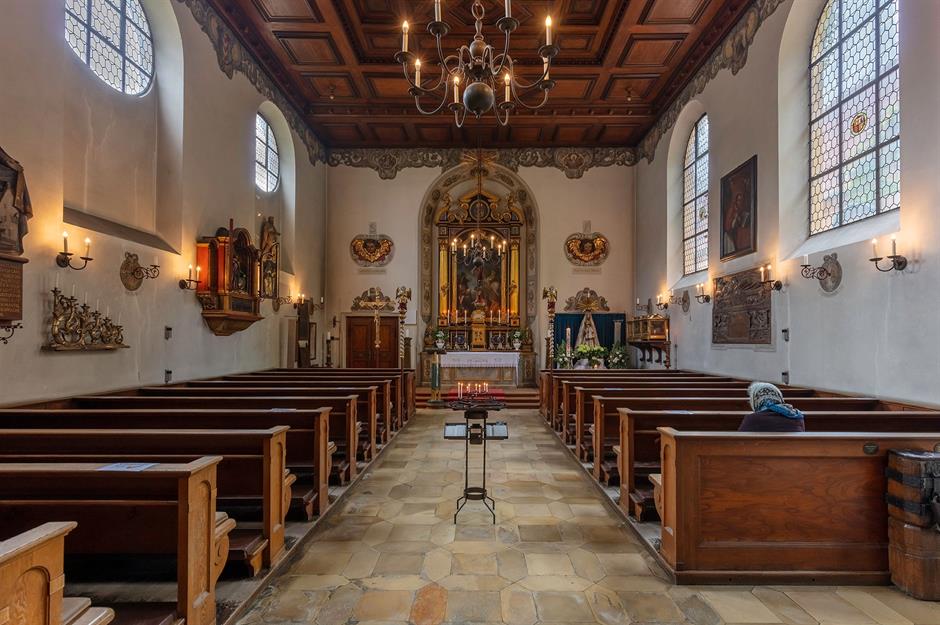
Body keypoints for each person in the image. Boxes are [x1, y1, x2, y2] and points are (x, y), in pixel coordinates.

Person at [738, 382, 805, 432]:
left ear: (755, 400)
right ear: (779, 397)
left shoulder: (751, 419)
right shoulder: (797, 416)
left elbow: (739, 443)